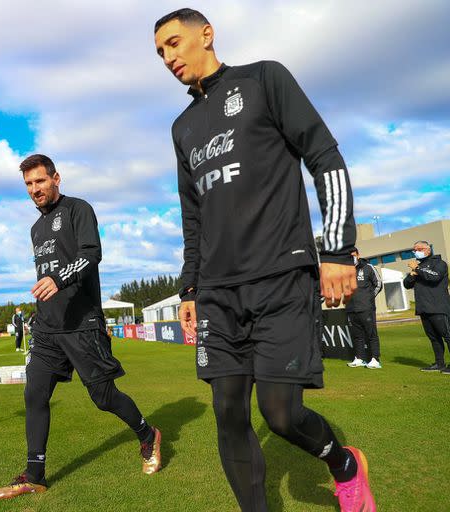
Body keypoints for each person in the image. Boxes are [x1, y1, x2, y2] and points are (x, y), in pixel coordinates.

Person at [154, 9, 375, 511]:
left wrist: (337, 249)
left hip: (281, 280)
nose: (167, 58)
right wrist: (190, 289)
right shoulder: (182, 127)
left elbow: (325, 156)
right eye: (160, 52)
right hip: (218, 295)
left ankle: (344, 464)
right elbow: (194, 217)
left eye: (173, 43)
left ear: (206, 35)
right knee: (229, 412)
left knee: (281, 415)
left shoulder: (263, 78)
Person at [0, 154, 162, 500]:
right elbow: (48, 274)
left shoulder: (78, 209)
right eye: (28, 184)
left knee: (103, 397)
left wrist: (58, 277)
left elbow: (91, 254)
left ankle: (148, 435)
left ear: (56, 178)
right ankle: (35, 475)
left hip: (82, 324)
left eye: (40, 181)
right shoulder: (36, 228)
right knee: (34, 394)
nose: (34, 189)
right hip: (48, 328)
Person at [403, 240, 450, 373]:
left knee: (448, 336)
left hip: (438, 307)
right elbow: (406, 284)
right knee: (434, 338)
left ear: (427, 250)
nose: (415, 252)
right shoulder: (419, 266)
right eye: (414, 250)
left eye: (418, 249)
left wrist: (417, 269)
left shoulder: (439, 263)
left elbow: (434, 277)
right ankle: (439, 363)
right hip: (423, 308)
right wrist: (413, 274)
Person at [346, 249, 383, 369]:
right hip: (351, 309)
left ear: (358, 255)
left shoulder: (368, 267)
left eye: (353, 255)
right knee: (357, 336)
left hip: (366, 307)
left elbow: (378, 284)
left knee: (371, 334)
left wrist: (369, 298)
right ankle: (359, 358)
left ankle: (375, 359)